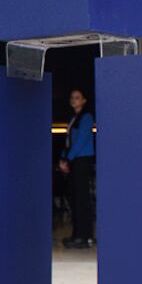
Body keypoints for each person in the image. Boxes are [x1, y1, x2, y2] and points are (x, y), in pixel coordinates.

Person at [58, 88, 96, 249]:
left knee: (82, 198)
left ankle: (84, 235)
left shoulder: (86, 117)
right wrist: (63, 158)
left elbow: (80, 141)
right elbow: (69, 141)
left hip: (81, 160)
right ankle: (77, 234)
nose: (74, 100)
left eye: (77, 97)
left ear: (84, 100)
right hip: (74, 159)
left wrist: (68, 158)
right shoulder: (74, 118)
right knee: (74, 198)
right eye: (72, 97)